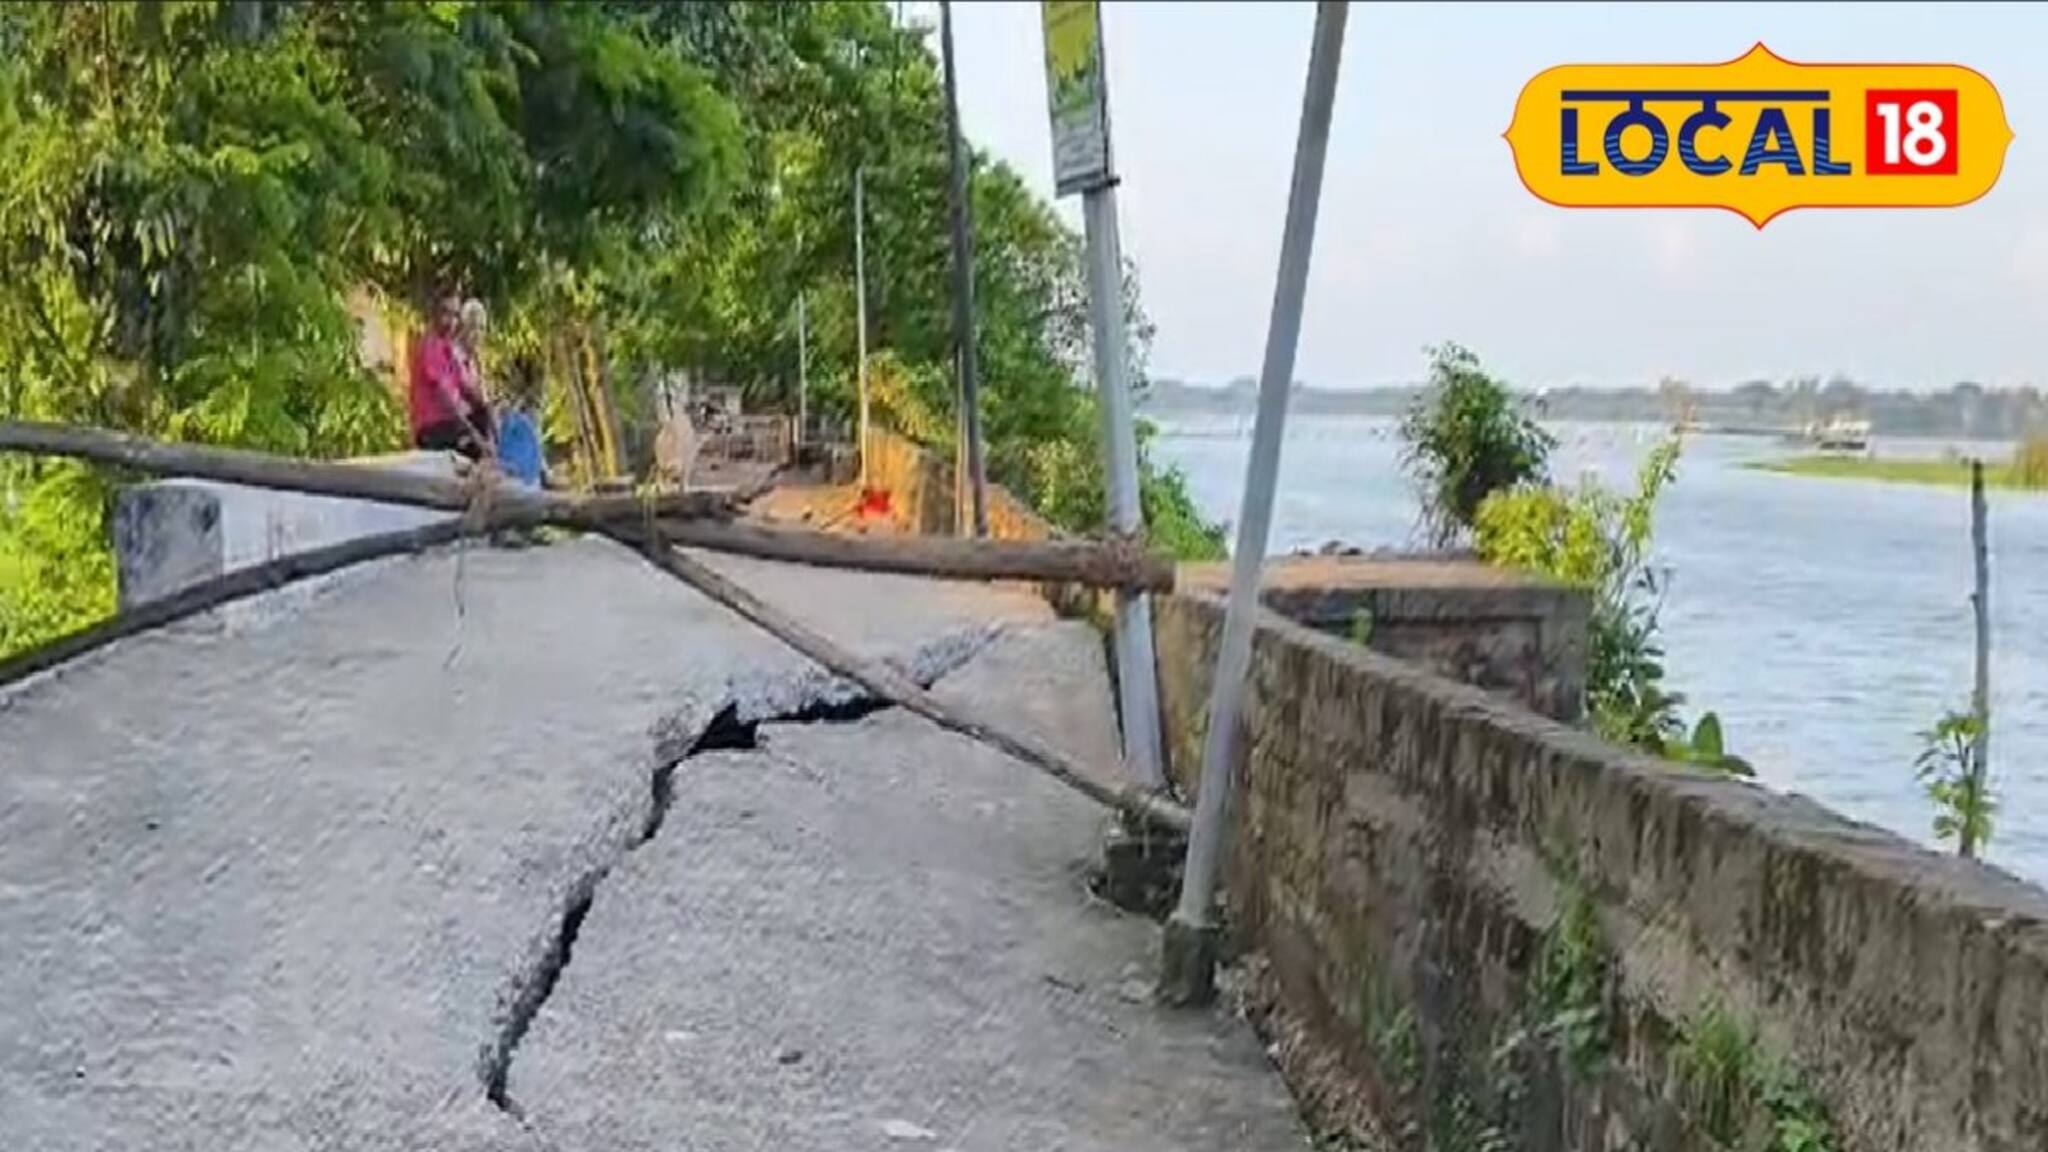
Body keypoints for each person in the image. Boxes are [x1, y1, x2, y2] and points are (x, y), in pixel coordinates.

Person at [409, 294, 494, 459]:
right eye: (445, 314)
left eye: (455, 315)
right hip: (434, 428)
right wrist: (475, 435)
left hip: (451, 424)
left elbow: (468, 390)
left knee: (484, 415)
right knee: (474, 443)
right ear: (433, 314)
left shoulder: (448, 349)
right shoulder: (430, 347)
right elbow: (447, 401)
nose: (451, 322)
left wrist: (489, 409)